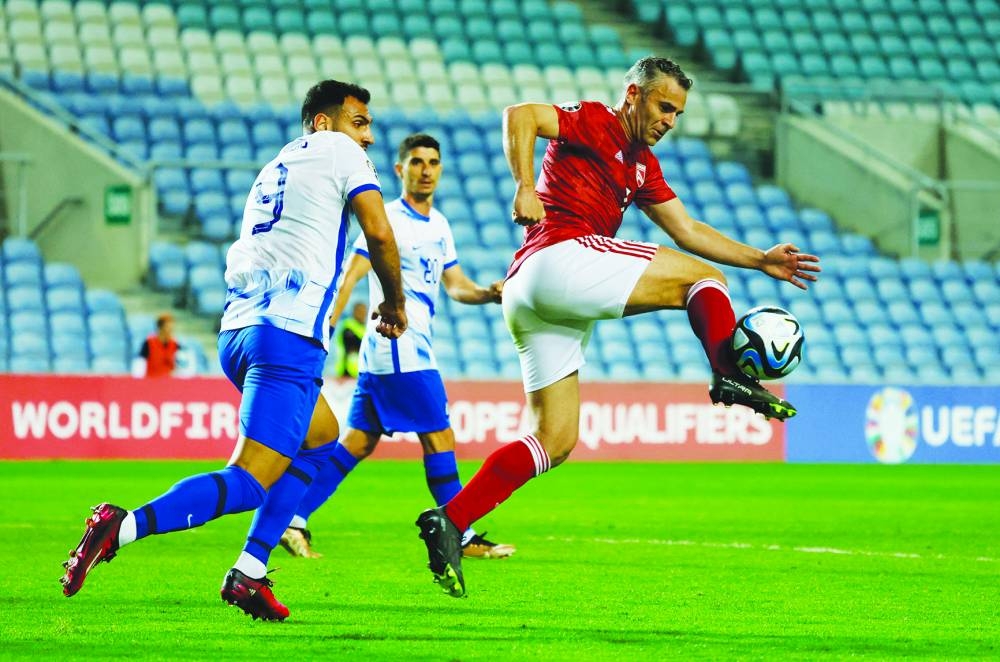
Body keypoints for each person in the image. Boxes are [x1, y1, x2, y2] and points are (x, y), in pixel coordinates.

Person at [415, 57, 821, 598]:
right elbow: (520, 114)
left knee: (555, 439)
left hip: (532, 297)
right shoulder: (596, 121)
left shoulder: (642, 165)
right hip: (559, 256)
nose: (670, 120)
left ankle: (451, 520)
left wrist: (761, 260)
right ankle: (727, 372)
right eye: (664, 106)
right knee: (703, 280)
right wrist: (524, 187)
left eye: (678, 113)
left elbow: (686, 228)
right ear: (634, 95)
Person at [60, 80, 407, 622]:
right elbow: (380, 235)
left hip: (240, 331)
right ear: (323, 122)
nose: (368, 137)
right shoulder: (339, 152)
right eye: (359, 122)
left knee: (320, 439)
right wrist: (395, 302)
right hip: (286, 335)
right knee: (248, 479)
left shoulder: (276, 166)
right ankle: (121, 525)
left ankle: (249, 572)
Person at [277, 133, 515, 563]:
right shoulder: (385, 218)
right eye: (417, 162)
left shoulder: (439, 225)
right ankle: (461, 531)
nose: (426, 170)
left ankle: (292, 520)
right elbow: (352, 273)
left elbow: (455, 285)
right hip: (398, 343)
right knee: (439, 436)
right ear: (400, 169)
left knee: (357, 444)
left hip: (395, 351)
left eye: (433, 163)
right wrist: (329, 321)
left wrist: (486, 293)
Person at [331, 301, 367, 377]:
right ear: (354, 312)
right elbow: (353, 345)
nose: (362, 314)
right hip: (347, 369)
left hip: (360, 370)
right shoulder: (348, 326)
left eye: (364, 311)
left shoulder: (365, 328)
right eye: (359, 311)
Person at [138, 313, 180, 378]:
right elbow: (140, 363)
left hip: (169, 381)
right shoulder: (149, 343)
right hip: (152, 379)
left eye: (172, 328)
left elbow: (179, 366)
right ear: (160, 328)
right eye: (168, 327)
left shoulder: (175, 344)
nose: (171, 330)